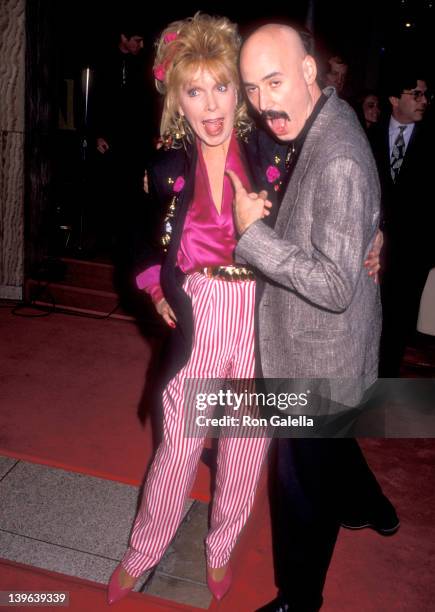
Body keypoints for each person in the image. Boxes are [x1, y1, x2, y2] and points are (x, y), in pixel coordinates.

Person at [107, 14, 382, 607]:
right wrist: (156, 287)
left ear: (240, 91)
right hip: (201, 311)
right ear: (177, 97)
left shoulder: (276, 151)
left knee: (243, 450)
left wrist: (374, 236)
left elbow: (334, 200)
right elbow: (137, 238)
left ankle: (220, 549)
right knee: (177, 446)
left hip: (265, 314)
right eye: (195, 90)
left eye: (223, 86)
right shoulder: (164, 168)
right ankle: (143, 550)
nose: (211, 105)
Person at [227, 24, 399, 611]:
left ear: (308, 72)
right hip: (328, 351)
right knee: (327, 456)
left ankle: (298, 601)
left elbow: (330, 285)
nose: (264, 102)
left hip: (319, 358)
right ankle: (370, 506)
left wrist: (253, 237)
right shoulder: (320, 120)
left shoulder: (339, 155)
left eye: (274, 82)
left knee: (298, 486)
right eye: (251, 88)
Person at [369, 69, 435, 377]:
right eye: (416, 94)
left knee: (399, 326)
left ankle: (385, 386)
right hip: (370, 253)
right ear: (395, 98)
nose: (424, 101)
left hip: (413, 253)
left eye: (426, 95)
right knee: (368, 322)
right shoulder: (368, 134)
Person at [90, 22, 155, 260]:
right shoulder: (104, 61)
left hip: (136, 141)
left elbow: (149, 104)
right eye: (137, 39)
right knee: (109, 191)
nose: (141, 44)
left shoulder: (143, 65)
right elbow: (93, 100)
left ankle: (129, 245)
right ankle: (105, 243)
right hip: (110, 141)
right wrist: (95, 133)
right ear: (123, 36)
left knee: (135, 193)